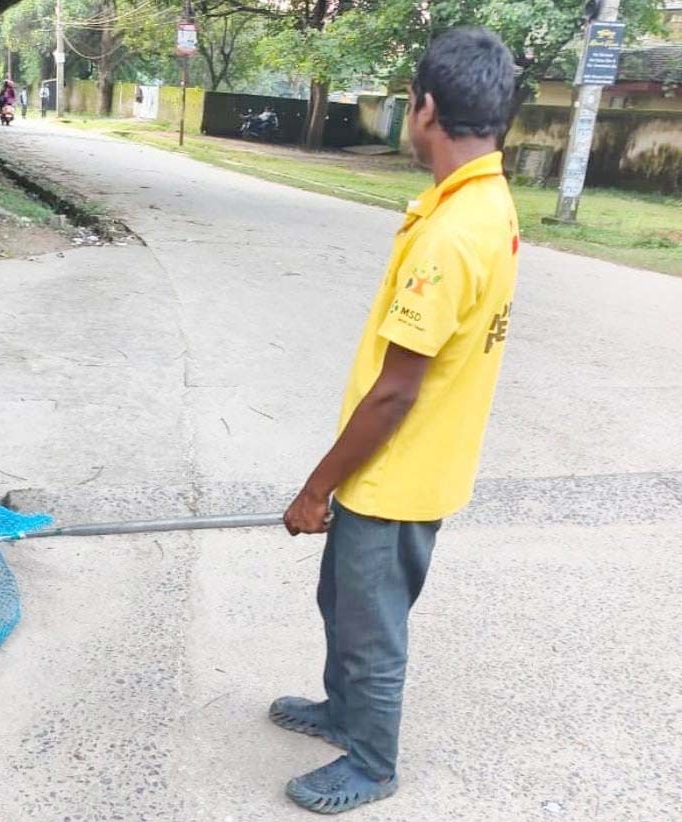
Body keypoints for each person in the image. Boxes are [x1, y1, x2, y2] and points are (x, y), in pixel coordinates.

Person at [274, 27, 519, 815]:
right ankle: (342, 713)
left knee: (370, 633)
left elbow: (394, 393)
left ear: (425, 110)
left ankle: (371, 765)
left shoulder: (451, 235)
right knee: (340, 606)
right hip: (407, 466)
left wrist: (316, 490)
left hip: (396, 473)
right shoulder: (483, 203)